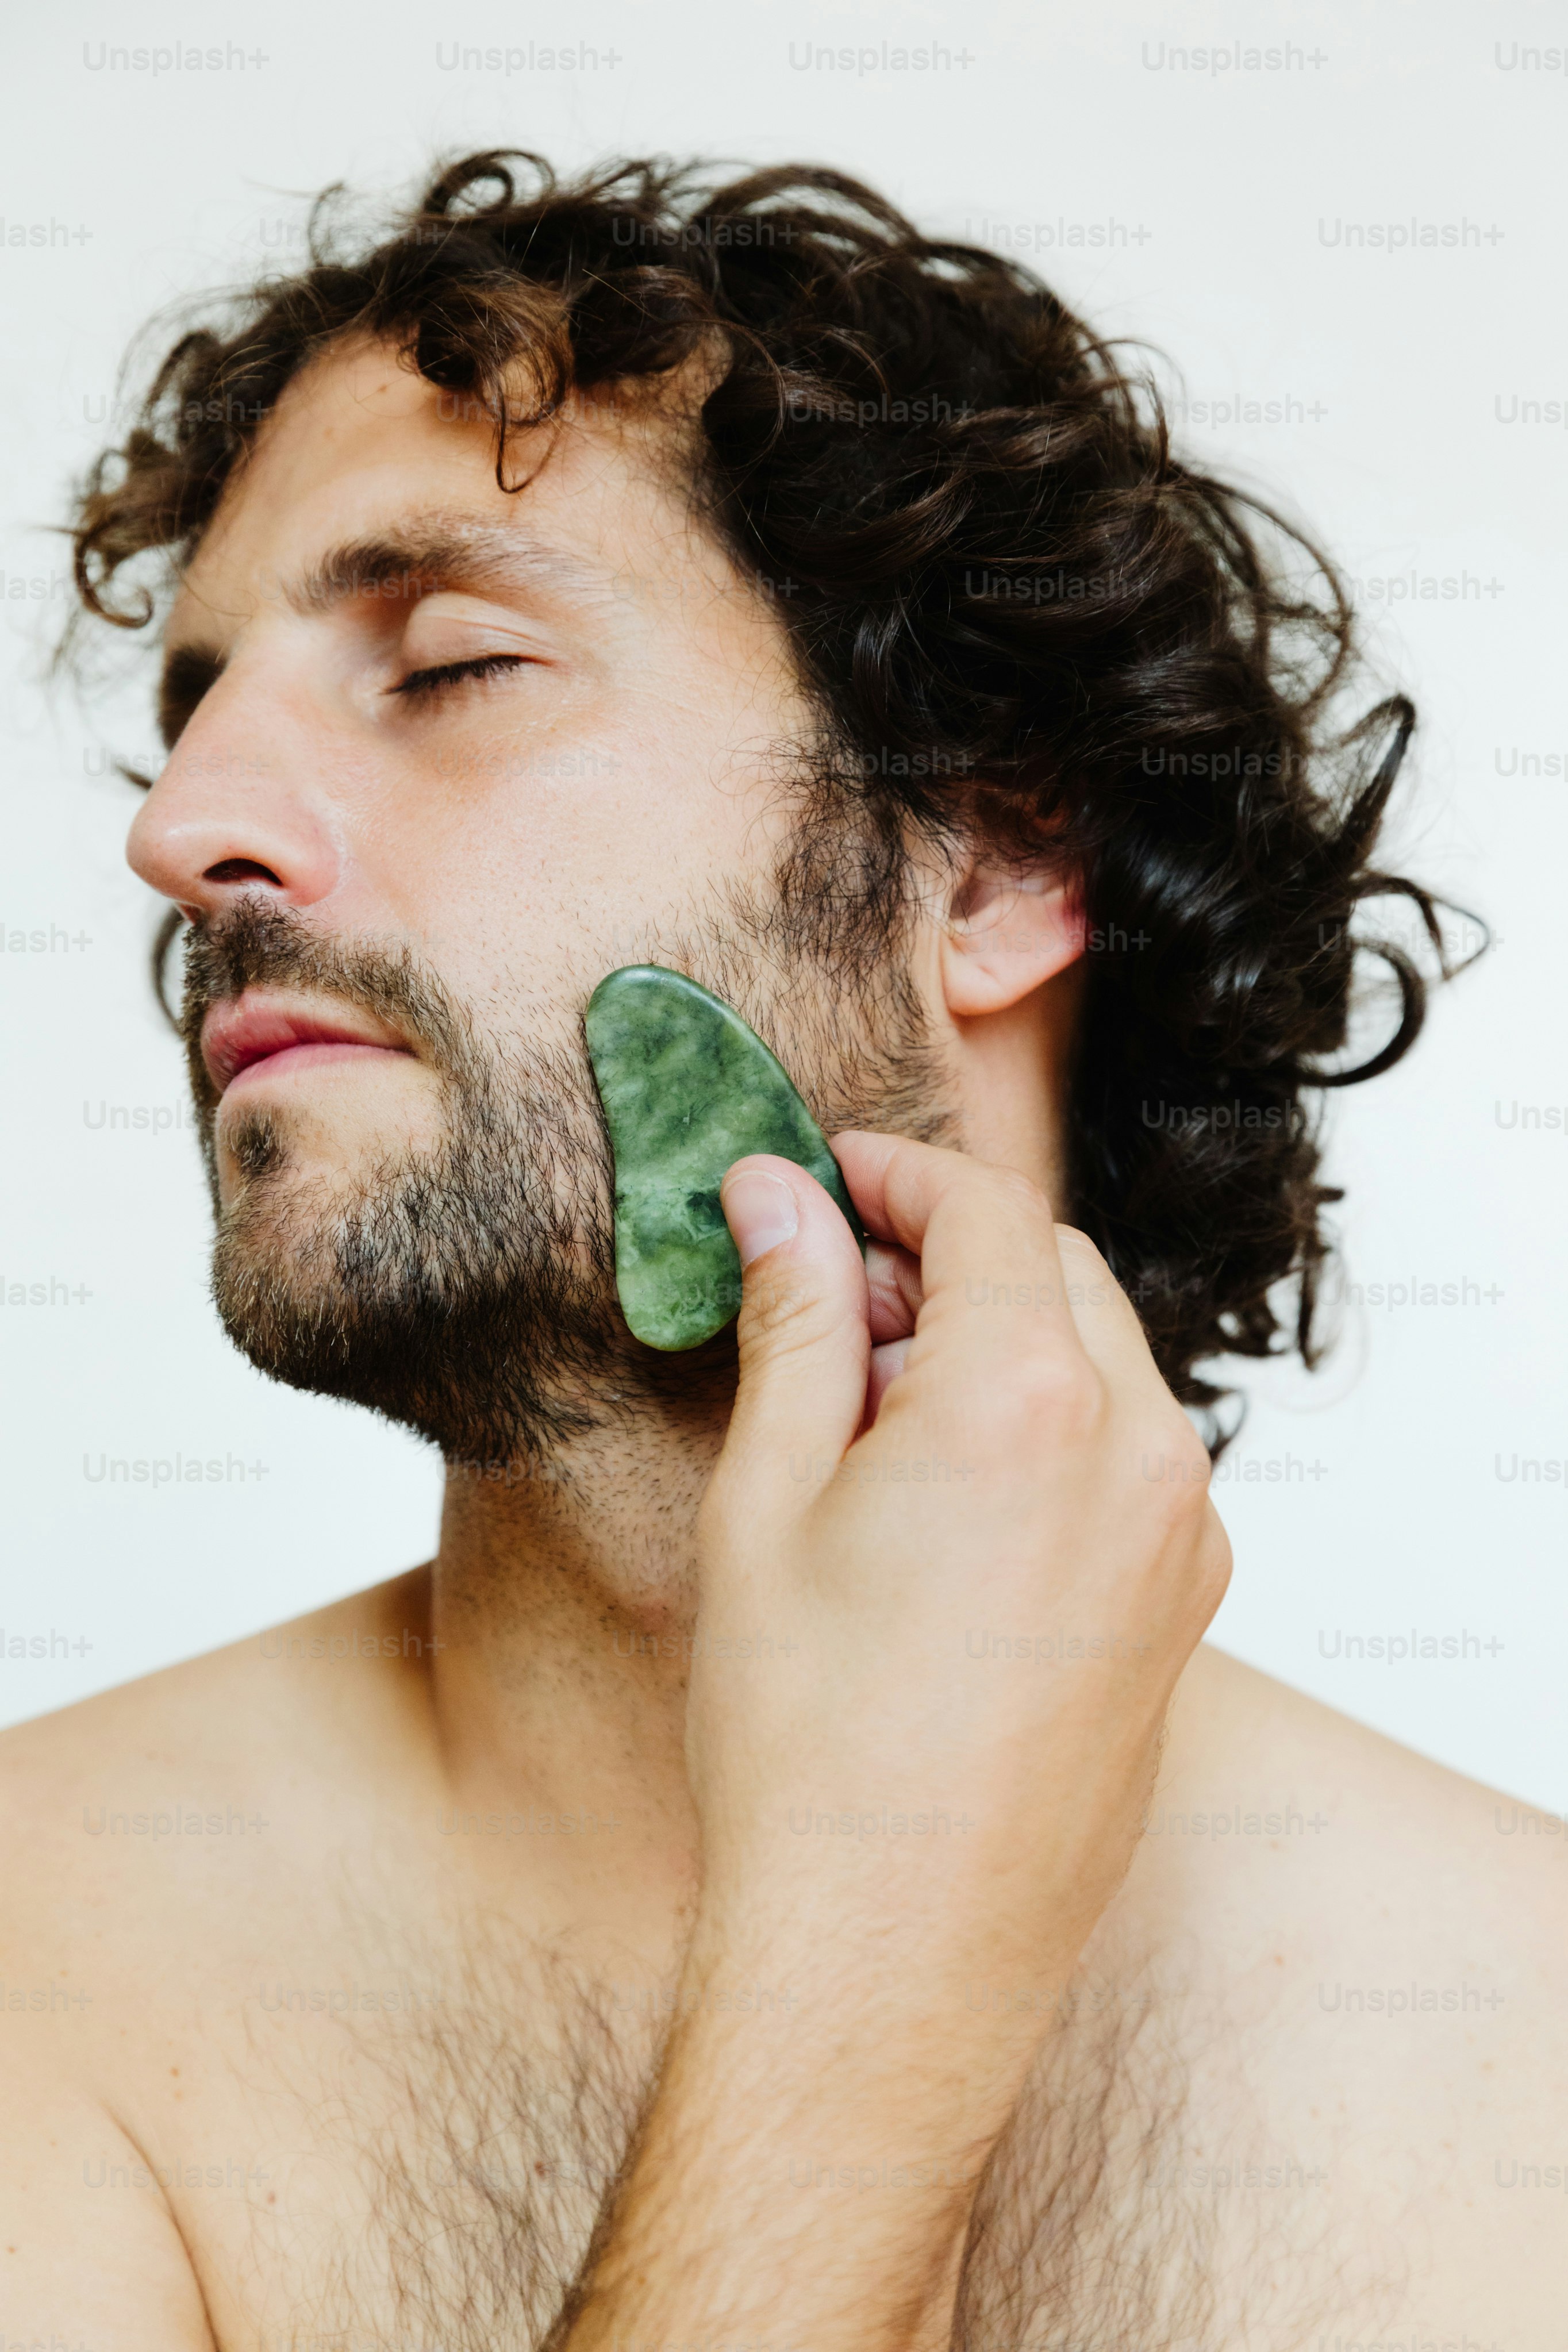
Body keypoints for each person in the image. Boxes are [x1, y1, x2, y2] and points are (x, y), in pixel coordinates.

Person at [3, 152, 1558, 2349]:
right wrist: (866, 1955)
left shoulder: (1530, 2064)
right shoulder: (43, 1982)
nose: (183, 833)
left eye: (448, 660)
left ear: (993, 857)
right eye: (194, 713)